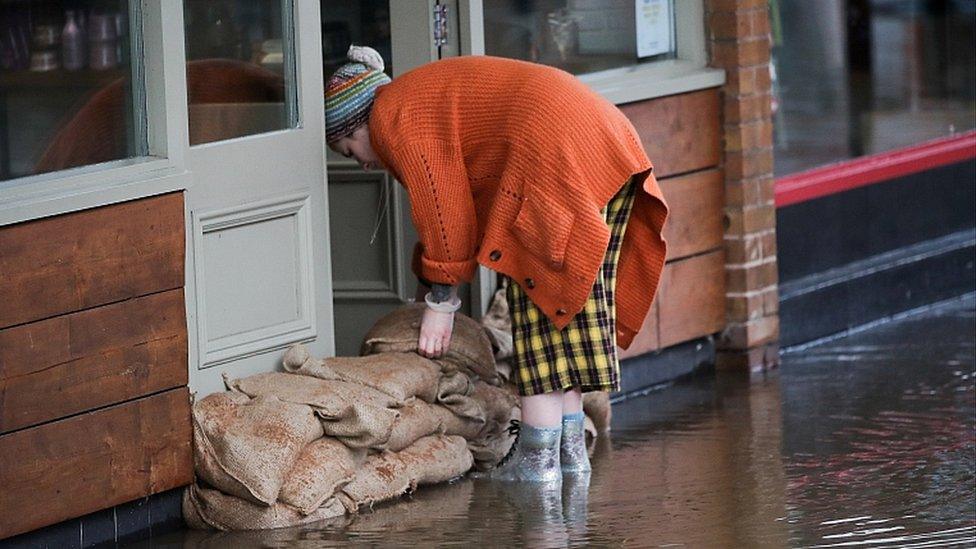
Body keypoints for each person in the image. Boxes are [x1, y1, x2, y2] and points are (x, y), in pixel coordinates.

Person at [325, 45, 669, 484]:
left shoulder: (394, 118)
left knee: (541, 331)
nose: (363, 162)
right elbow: (459, 214)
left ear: (359, 121)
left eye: (351, 149)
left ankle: (537, 471)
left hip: (556, 162)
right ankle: (570, 464)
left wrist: (440, 304)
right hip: (602, 146)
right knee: (566, 330)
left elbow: (444, 213)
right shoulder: (412, 99)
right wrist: (428, 283)